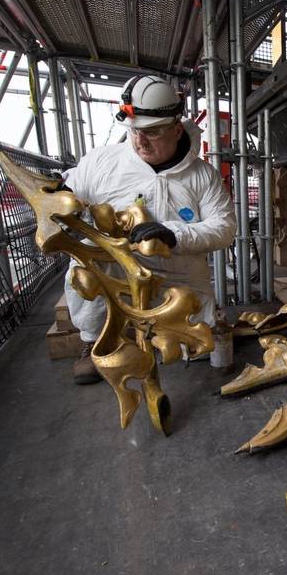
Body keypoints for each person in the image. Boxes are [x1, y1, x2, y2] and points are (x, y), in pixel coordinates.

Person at [62, 75, 235, 384]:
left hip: (175, 273)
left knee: (202, 345)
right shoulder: (101, 163)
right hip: (116, 272)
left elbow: (224, 228)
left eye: (152, 132)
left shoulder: (202, 175)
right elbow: (67, 195)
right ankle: (95, 341)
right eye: (134, 131)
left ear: (177, 129)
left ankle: (168, 332)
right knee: (84, 267)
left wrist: (173, 234)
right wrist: (60, 199)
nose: (140, 141)